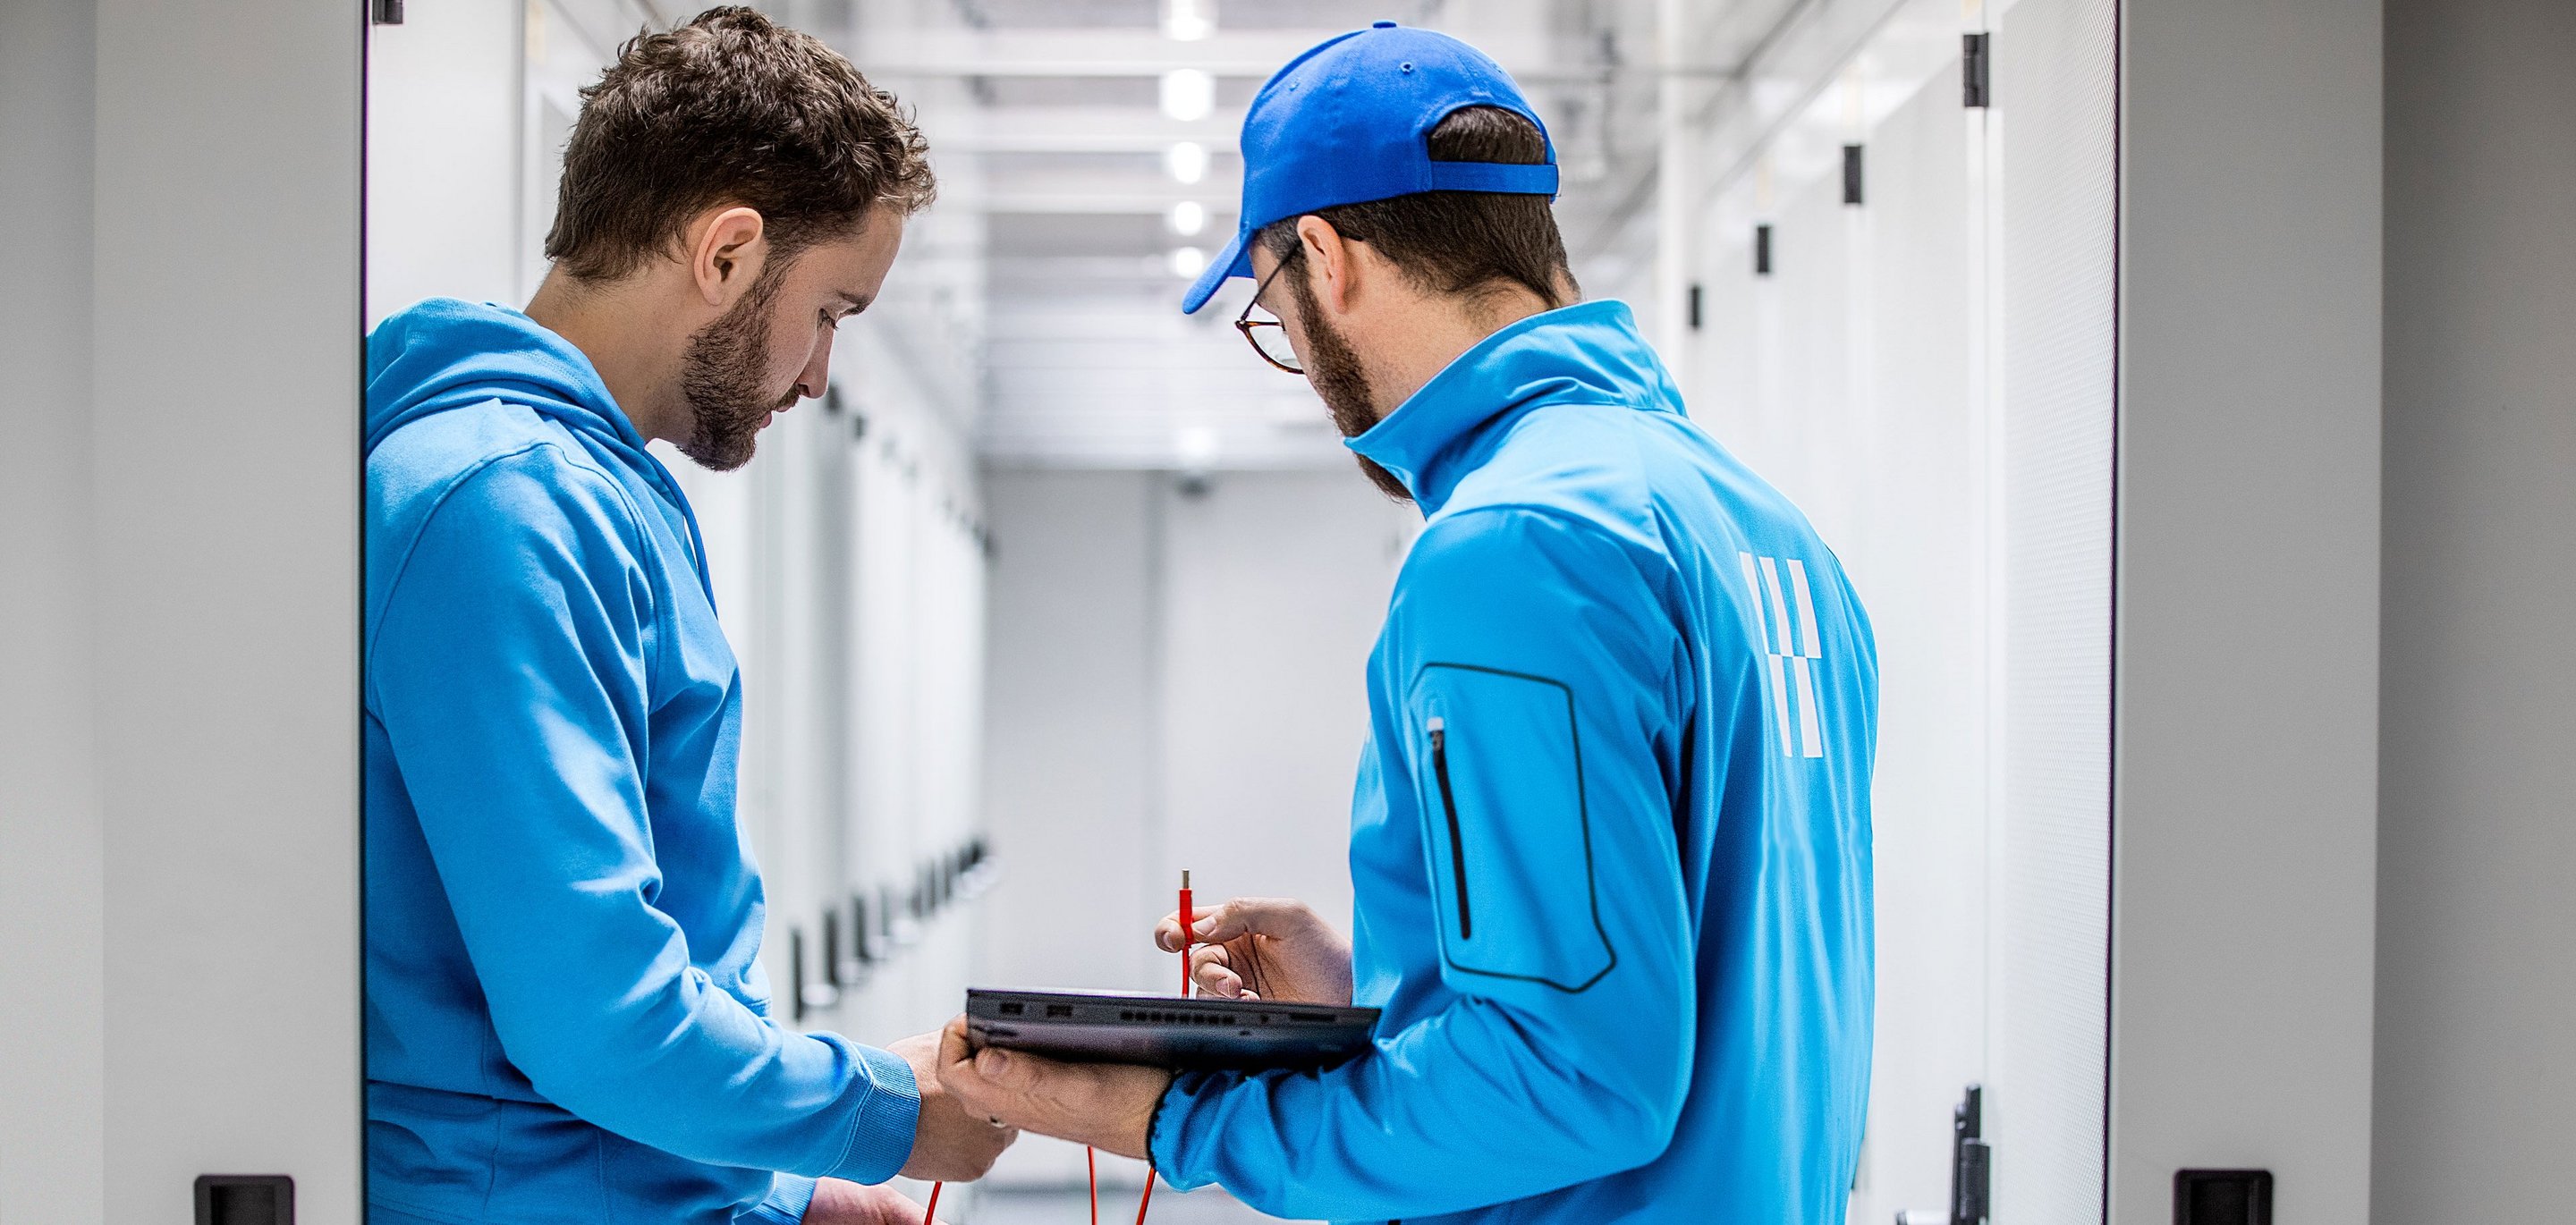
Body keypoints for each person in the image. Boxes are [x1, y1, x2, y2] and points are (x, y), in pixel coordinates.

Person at [936, 22, 1879, 1225]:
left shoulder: (1514, 545)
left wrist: (1170, 1115)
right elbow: (1693, 983)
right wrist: (1394, 994)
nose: (1299, 357)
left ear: (1326, 260)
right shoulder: (1768, 534)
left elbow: (1574, 1081)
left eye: (1272, 309)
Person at [362, 10, 1011, 1224]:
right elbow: (597, 1020)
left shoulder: (587, 495)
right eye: (829, 312)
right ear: (725, 253)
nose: (819, 374)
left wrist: (778, 1193)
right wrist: (890, 1111)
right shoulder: (503, 507)